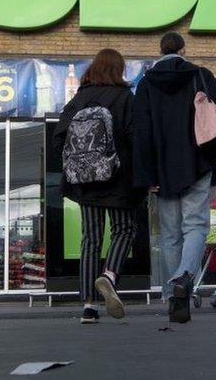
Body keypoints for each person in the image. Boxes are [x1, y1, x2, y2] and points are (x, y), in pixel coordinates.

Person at [133, 32, 216, 323]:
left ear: (160, 51)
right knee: (196, 226)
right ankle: (182, 280)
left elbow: (142, 132)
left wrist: (147, 173)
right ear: (183, 49)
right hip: (197, 162)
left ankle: (171, 293)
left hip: (162, 169)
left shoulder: (147, 83)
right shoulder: (200, 75)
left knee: (170, 234)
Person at [52, 49, 144, 325]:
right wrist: (141, 177)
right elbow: (135, 139)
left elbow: (59, 139)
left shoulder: (78, 99)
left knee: (90, 240)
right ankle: (110, 275)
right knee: (124, 229)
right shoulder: (125, 98)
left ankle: (89, 306)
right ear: (118, 70)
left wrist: (75, 168)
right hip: (117, 179)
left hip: (84, 181)